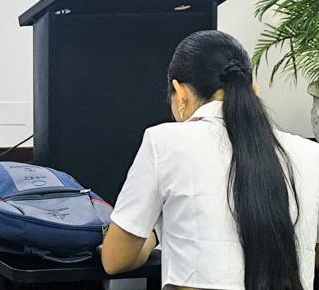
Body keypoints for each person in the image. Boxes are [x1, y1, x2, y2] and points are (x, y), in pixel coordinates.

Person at [102, 30, 319, 289]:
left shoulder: (164, 142)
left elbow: (115, 259)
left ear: (180, 93)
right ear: (254, 91)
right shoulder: (310, 153)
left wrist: (156, 233)